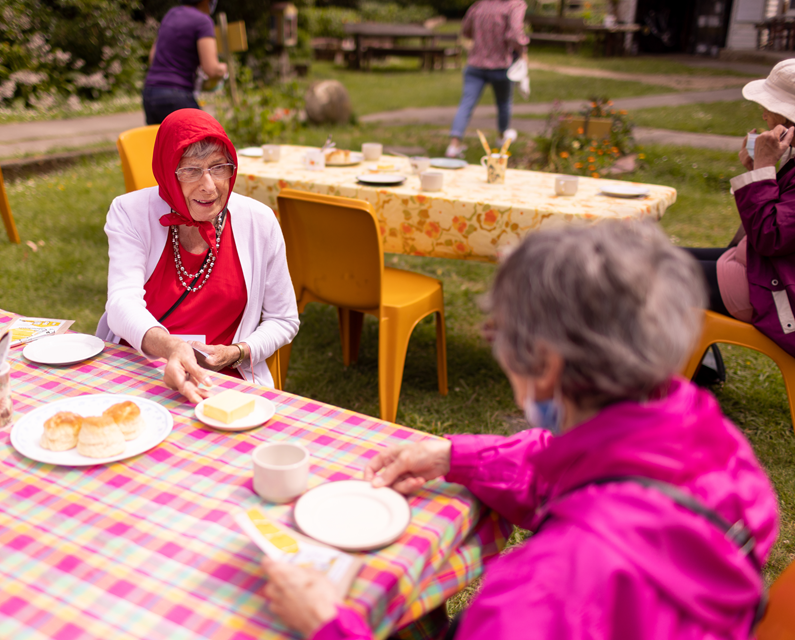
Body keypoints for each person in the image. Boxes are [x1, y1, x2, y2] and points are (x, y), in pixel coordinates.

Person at [263, 221, 779, 639]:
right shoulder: (703, 433)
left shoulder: (543, 591)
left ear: (546, 364)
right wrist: (455, 458)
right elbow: (591, 470)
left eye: (500, 335)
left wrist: (328, 624)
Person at [96, 109, 299, 401]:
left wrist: (238, 352)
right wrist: (171, 348)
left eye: (219, 167)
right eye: (191, 170)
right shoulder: (130, 212)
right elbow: (120, 303)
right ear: (168, 172)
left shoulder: (259, 221)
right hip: (142, 366)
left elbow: (283, 319)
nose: (209, 185)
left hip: (221, 377)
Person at [683, 58, 795, 361]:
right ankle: (694, 364)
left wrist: (763, 168)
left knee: (640, 275)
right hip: (759, 269)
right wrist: (756, 173)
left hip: (774, 291)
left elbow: (769, 237)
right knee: (657, 258)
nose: (764, 114)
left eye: (770, 107)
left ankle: (670, 370)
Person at [445, 0, 529, 159]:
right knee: (504, 103)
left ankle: (453, 146)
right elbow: (515, 33)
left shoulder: (480, 5)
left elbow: (466, 30)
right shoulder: (514, 5)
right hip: (501, 65)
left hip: (475, 64)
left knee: (466, 104)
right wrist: (522, 51)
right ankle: (501, 138)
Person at [142, 0, 228, 125]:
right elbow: (211, 69)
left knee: (162, 143)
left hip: (150, 92)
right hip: (177, 95)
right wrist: (222, 69)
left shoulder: (171, 14)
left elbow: (152, 57)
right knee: (202, 140)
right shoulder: (203, 21)